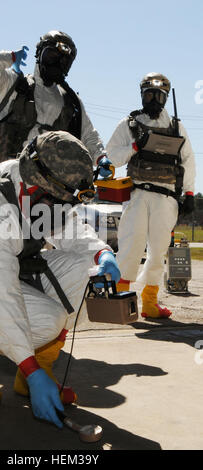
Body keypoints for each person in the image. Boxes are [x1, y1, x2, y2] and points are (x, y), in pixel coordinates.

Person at [0, 130, 120, 429]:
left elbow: (64, 224)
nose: (64, 207)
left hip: (12, 271)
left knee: (88, 273)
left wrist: (101, 254)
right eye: (61, 200)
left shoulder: (33, 181)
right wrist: (31, 370)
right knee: (47, 320)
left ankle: (31, 376)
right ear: (40, 189)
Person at [105, 72, 196, 318]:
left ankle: (150, 302)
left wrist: (188, 192)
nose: (153, 99)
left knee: (158, 250)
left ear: (165, 97)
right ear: (142, 95)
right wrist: (136, 145)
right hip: (137, 195)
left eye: (158, 95)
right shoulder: (130, 124)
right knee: (130, 246)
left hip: (166, 198)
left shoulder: (176, 127)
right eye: (149, 94)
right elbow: (111, 155)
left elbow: (188, 160)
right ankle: (120, 301)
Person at [0, 31, 105, 175]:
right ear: (39, 54)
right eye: (52, 55)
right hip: (6, 175)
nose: (57, 62)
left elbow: (88, 134)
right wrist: (10, 57)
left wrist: (101, 158)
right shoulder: (14, 84)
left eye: (64, 61)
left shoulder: (71, 100)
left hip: (47, 180)